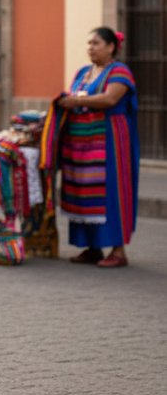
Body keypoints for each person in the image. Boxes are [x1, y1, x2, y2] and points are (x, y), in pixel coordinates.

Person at [56, 26, 139, 268]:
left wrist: (76, 101)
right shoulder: (84, 72)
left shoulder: (119, 71)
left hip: (111, 142)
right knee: (83, 193)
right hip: (82, 146)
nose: (90, 48)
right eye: (89, 43)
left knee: (111, 192)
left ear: (111, 46)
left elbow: (110, 99)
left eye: (96, 43)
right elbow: (73, 96)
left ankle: (118, 250)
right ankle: (92, 247)